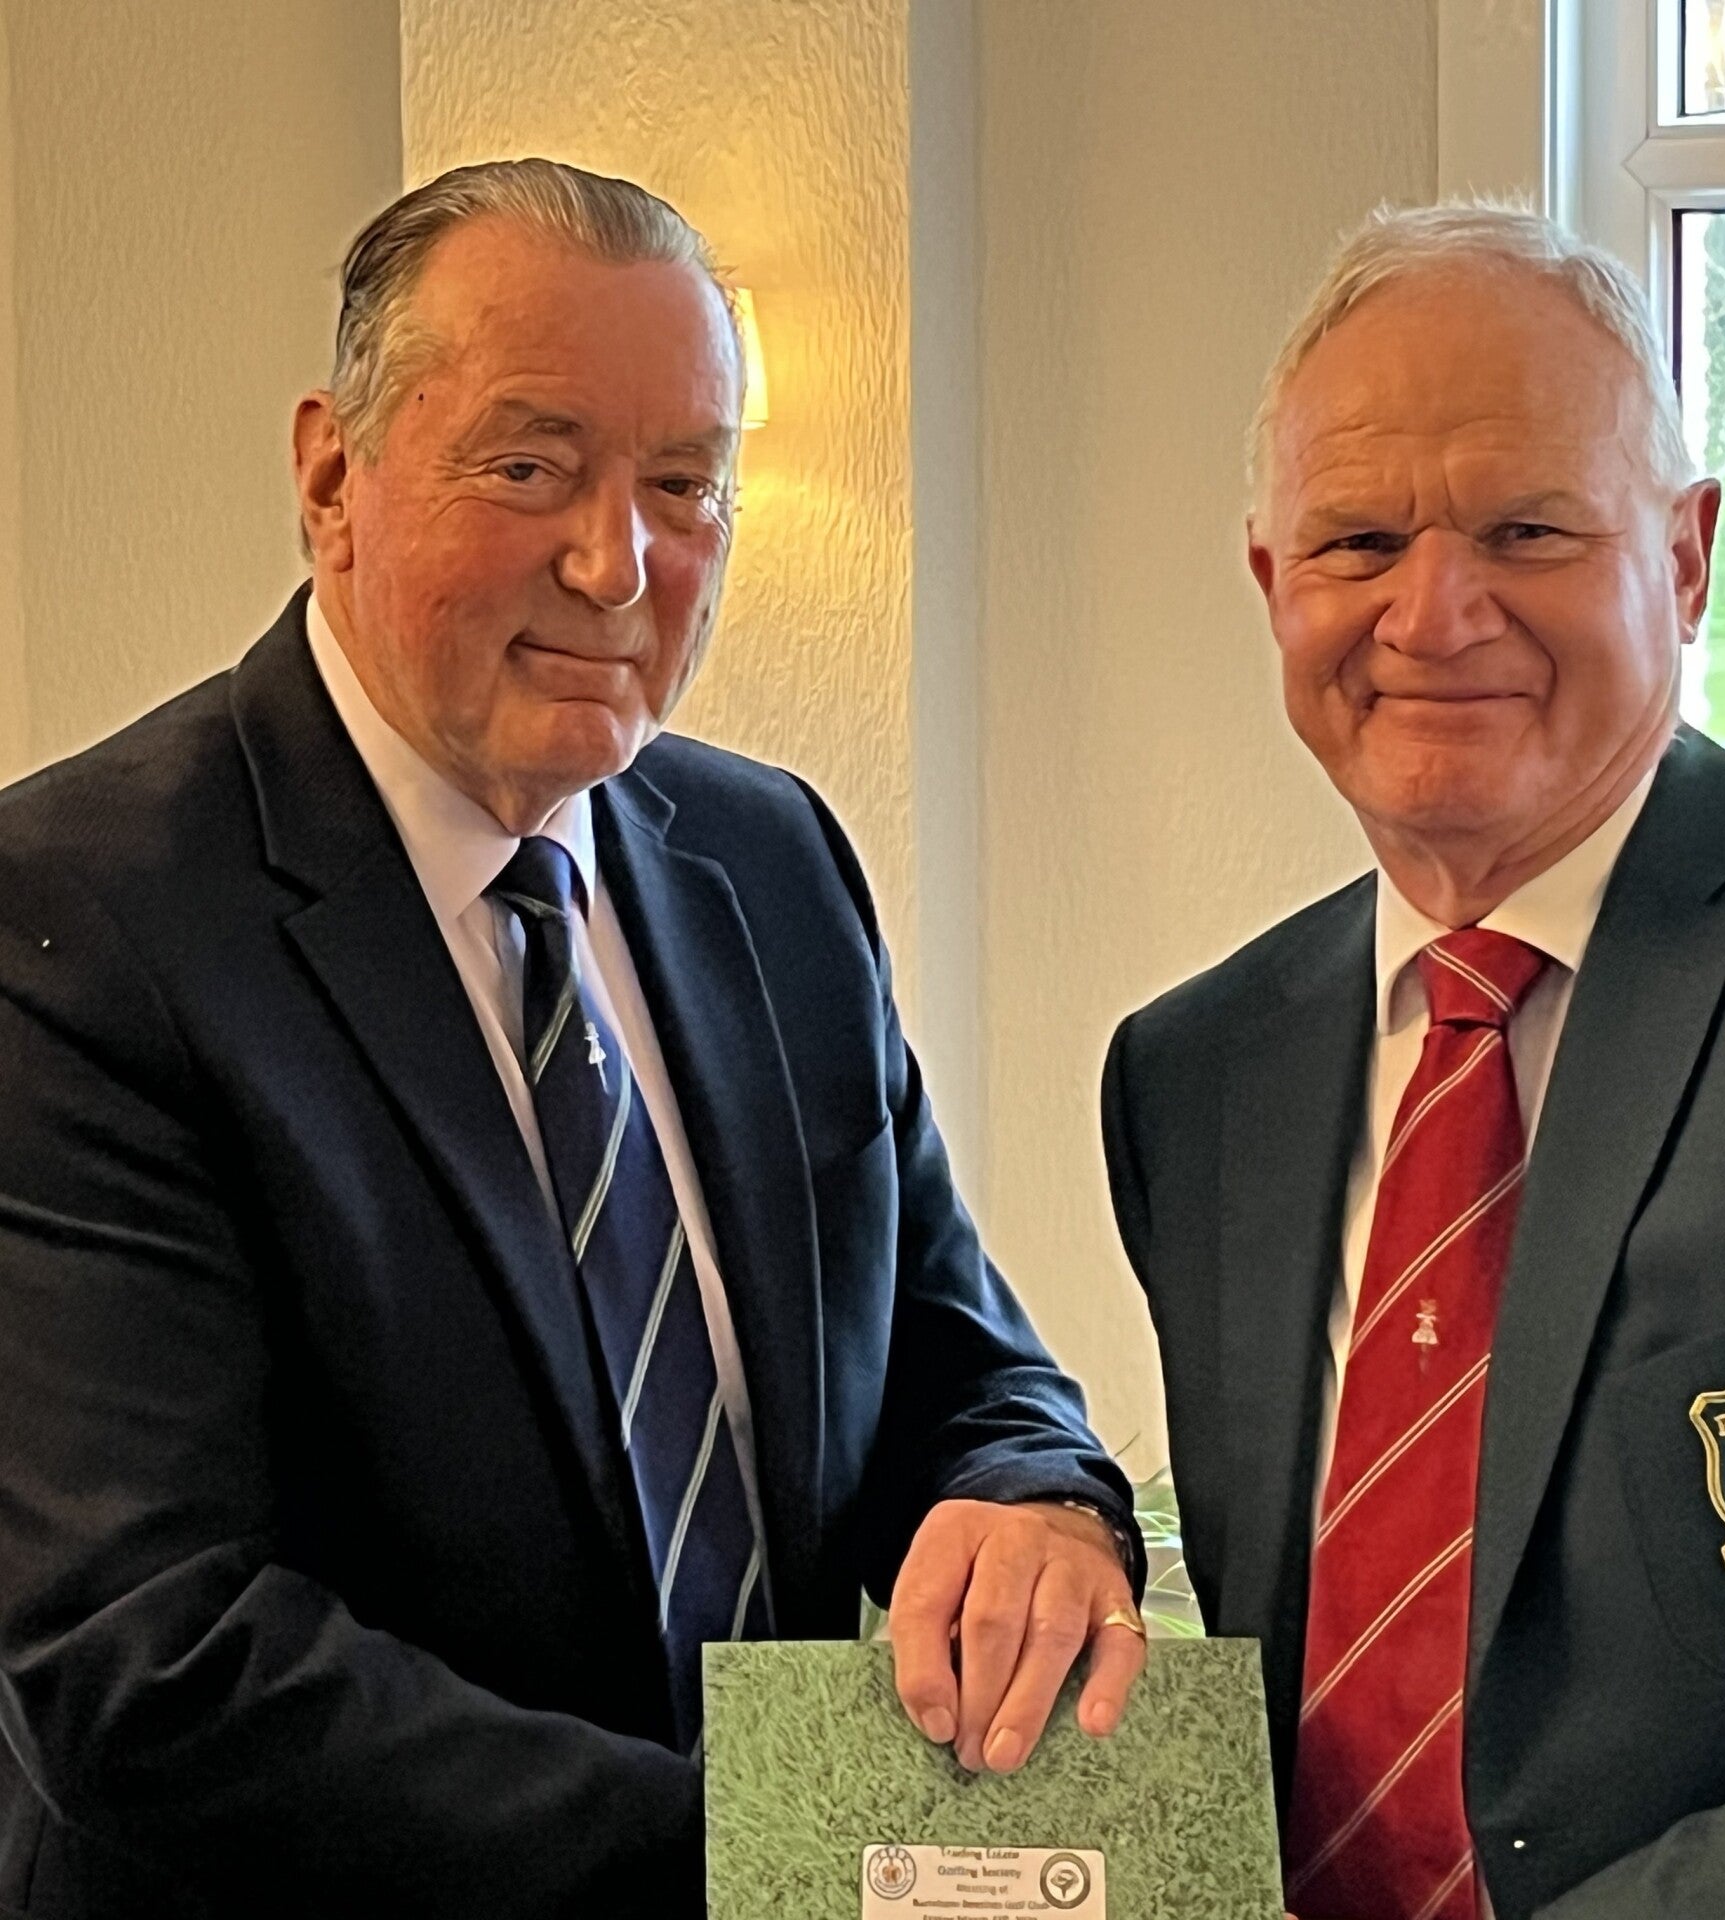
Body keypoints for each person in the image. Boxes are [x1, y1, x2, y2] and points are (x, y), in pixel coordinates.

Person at [0, 159, 1144, 1919]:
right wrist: (768, 1858)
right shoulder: (79, 920)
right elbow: (150, 1659)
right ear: (330, 475)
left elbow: (956, 1354)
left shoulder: (772, 861)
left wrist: (1038, 1500)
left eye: (683, 484)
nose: (619, 563)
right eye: (531, 467)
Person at [1101, 204, 1725, 1919]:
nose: (1433, 612)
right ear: (1272, 585)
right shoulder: (1195, 1078)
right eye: (1358, 541)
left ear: (1685, 558)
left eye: (1526, 529)